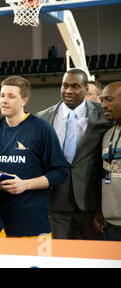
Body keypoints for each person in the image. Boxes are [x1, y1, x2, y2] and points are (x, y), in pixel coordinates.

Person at [0, 75, 69, 238]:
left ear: (24, 100)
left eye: (11, 96)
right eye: (2, 95)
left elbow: (60, 172)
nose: (4, 100)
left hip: (32, 224)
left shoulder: (42, 129)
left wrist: (25, 184)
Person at [37, 69, 112, 240]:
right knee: (61, 258)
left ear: (86, 88)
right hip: (55, 200)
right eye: (65, 85)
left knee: (94, 257)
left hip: (91, 203)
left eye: (75, 86)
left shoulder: (104, 115)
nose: (68, 91)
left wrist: (101, 205)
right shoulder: (43, 117)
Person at [95, 81, 121, 241]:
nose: (103, 105)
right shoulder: (106, 135)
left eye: (109, 100)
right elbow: (104, 176)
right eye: (102, 100)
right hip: (111, 222)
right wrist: (99, 209)